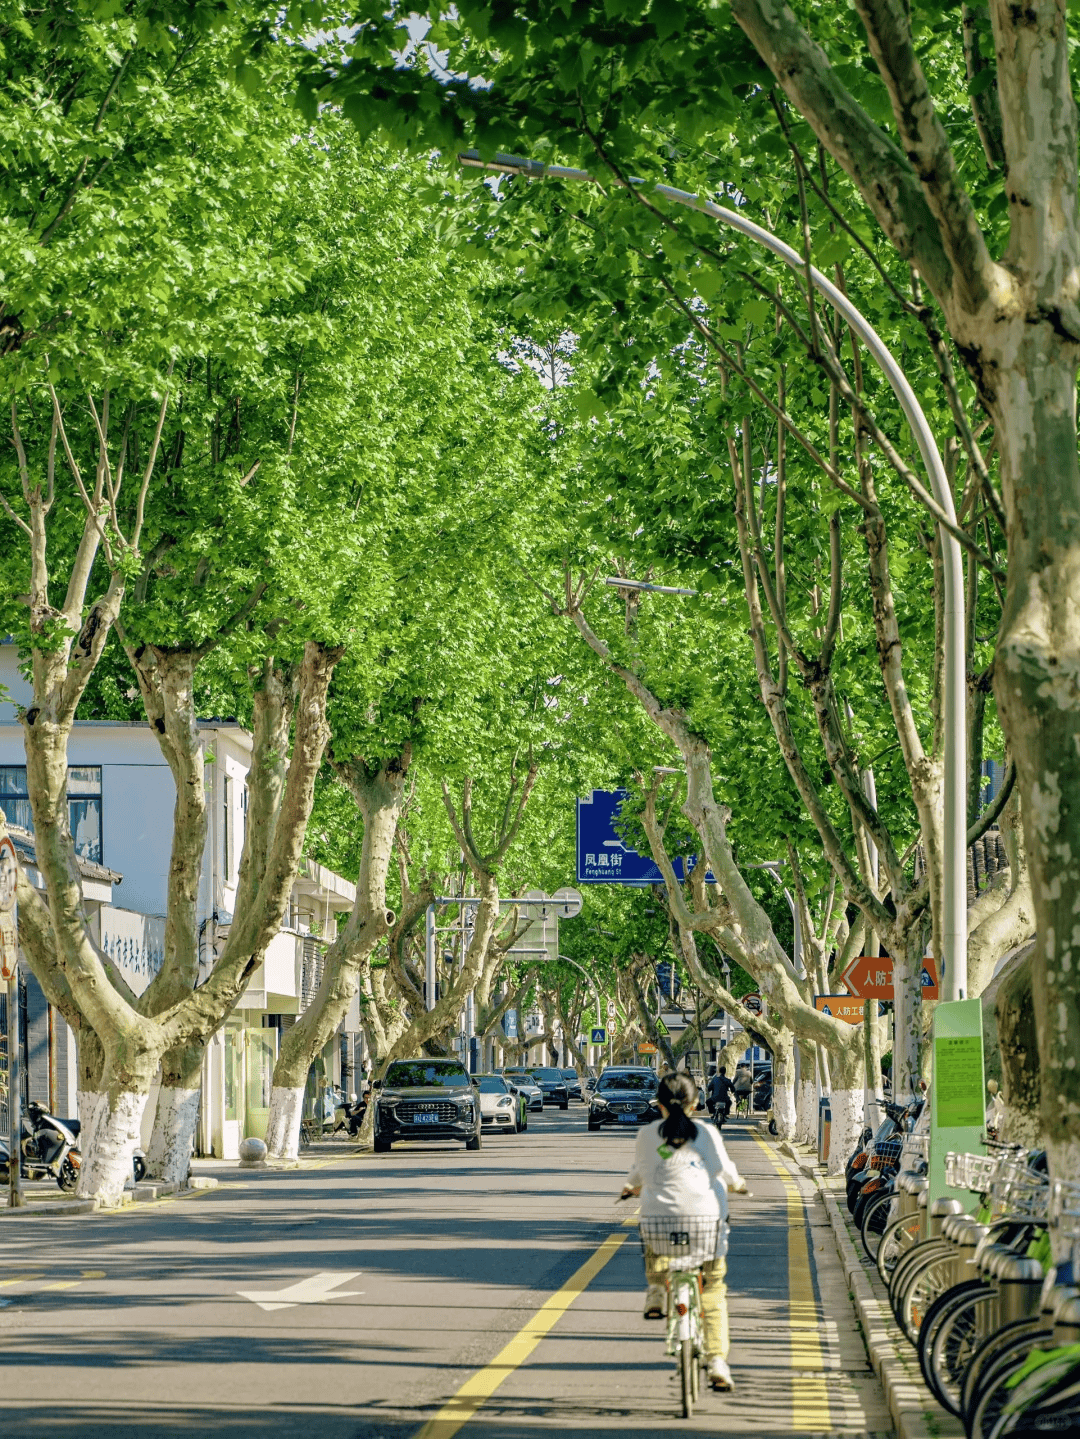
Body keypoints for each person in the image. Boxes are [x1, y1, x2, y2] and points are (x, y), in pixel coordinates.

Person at [621, 1070, 746, 1392]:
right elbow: (724, 1170)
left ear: (660, 1104)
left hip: (659, 1228)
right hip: (706, 1227)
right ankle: (717, 1359)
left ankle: (657, 1290)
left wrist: (629, 1188)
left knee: (652, 1239)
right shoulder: (705, 1134)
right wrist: (738, 1185)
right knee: (714, 1292)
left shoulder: (649, 1135)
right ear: (694, 1103)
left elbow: (645, 1169)